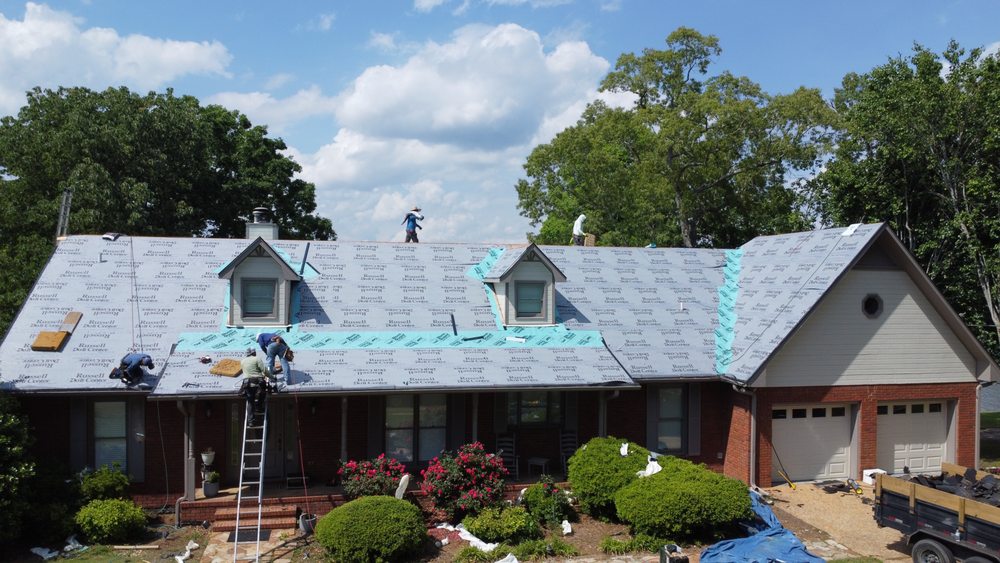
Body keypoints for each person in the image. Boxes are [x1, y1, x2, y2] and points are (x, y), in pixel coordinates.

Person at [239, 348, 275, 425]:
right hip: (257, 381)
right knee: (263, 393)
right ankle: (258, 407)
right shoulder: (257, 359)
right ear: (253, 353)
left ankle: (251, 421)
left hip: (246, 383)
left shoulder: (242, 361)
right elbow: (264, 370)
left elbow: (246, 371)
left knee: (250, 401)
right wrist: (272, 377)